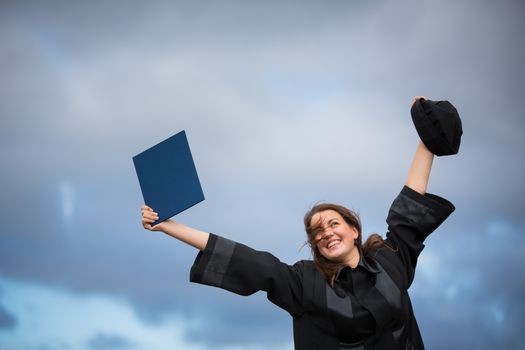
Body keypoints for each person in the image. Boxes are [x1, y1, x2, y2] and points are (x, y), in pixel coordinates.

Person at [140, 96, 456, 350]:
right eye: (317, 232)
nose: (327, 233)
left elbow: (408, 206)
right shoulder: (306, 284)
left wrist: (426, 133)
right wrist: (169, 226)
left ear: (353, 229)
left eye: (333, 224)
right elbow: (249, 261)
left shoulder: (389, 261)